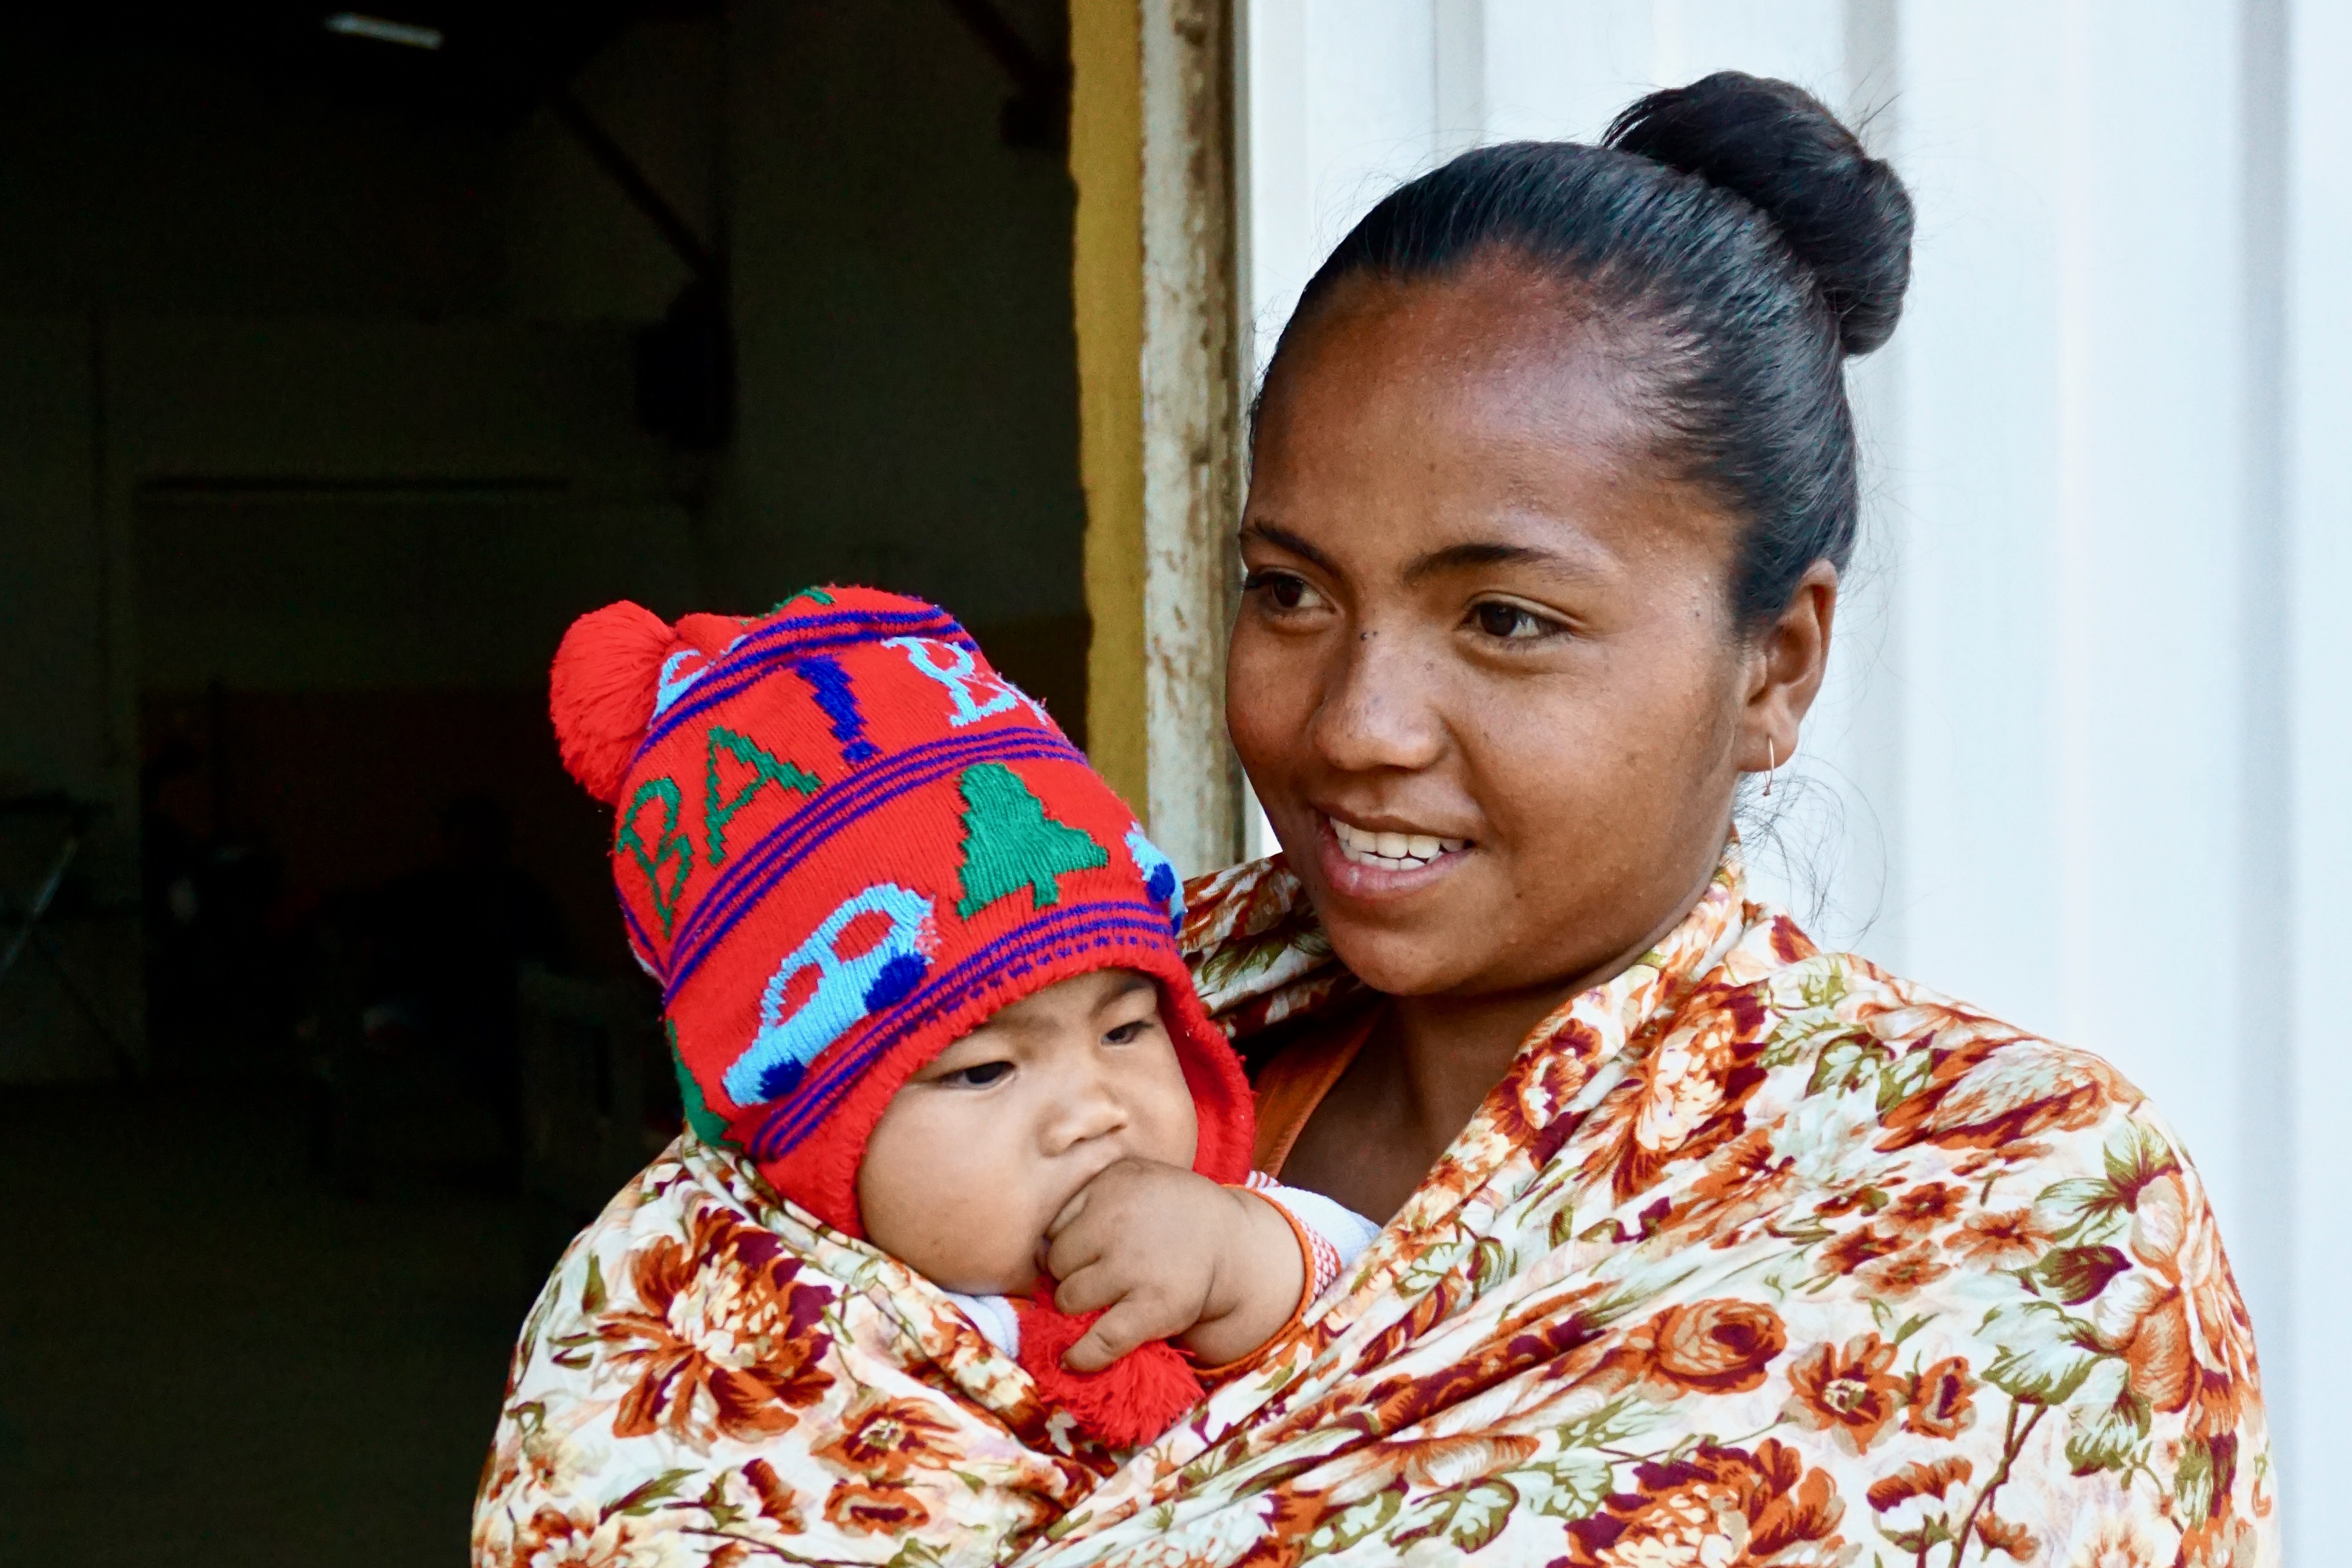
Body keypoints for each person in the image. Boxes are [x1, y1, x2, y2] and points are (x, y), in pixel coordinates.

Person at [480, 71, 2270, 1568]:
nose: (1353, 725)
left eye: (1505, 618)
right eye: (1290, 589)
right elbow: (675, 1348)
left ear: (1773, 664)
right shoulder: (1035, 994)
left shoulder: (2002, 1225)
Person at [473, 589, 1376, 1566]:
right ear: (809, 1136)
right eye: (984, 1070)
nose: (1092, 1114)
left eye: (1126, 1029)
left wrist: (1244, 1260)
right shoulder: (703, 1322)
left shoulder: (1203, 1218)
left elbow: (1394, 1294)